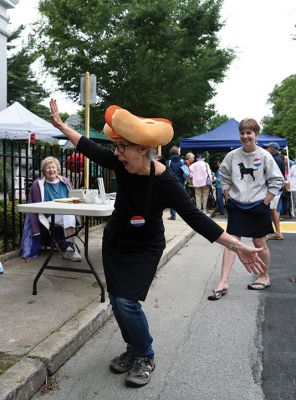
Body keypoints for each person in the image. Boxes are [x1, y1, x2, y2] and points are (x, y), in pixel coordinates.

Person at [50, 99, 265, 387]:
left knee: (127, 301)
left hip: (146, 246)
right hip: (117, 241)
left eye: (122, 148)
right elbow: (88, 147)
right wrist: (63, 126)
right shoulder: (121, 164)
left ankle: (146, 355)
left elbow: (195, 218)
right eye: (116, 148)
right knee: (117, 301)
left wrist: (237, 246)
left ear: (142, 149)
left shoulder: (167, 181)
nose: (117, 154)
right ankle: (133, 348)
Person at [208, 119, 284, 301]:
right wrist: (228, 198)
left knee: (260, 244)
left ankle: (264, 277)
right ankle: (223, 281)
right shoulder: (232, 156)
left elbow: (277, 180)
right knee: (231, 243)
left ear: (256, 135)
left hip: (258, 206)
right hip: (237, 206)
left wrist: (264, 203)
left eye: (249, 133)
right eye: (242, 133)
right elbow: (224, 176)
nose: (245, 136)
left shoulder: (265, 156)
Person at [21, 156, 81, 262]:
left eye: (53, 167)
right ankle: (70, 248)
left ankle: (68, 247)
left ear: (57, 169)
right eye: (48, 168)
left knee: (68, 215)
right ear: (44, 171)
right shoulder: (37, 184)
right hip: (48, 215)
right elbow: (36, 206)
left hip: (66, 214)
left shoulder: (66, 181)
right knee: (66, 217)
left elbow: (72, 198)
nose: (51, 170)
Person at [264, 142, 285, 240]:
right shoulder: (278, 158)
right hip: (277, 188)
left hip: (274, 189)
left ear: (272, 149)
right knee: (273, 210)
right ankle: (276, 232)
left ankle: (277, 233)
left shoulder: (274, 160)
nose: (266, 149)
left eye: (267, 148)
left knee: (273, 210)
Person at [166, 145, 186, 220]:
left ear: (171, 152)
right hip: (181, 183)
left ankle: (173, 215)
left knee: (172, 200)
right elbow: (185, 173)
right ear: (178, 153)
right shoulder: (182, 162)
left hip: (171, 183)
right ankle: (185, 215)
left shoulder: (168, 162)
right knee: (182, 200)